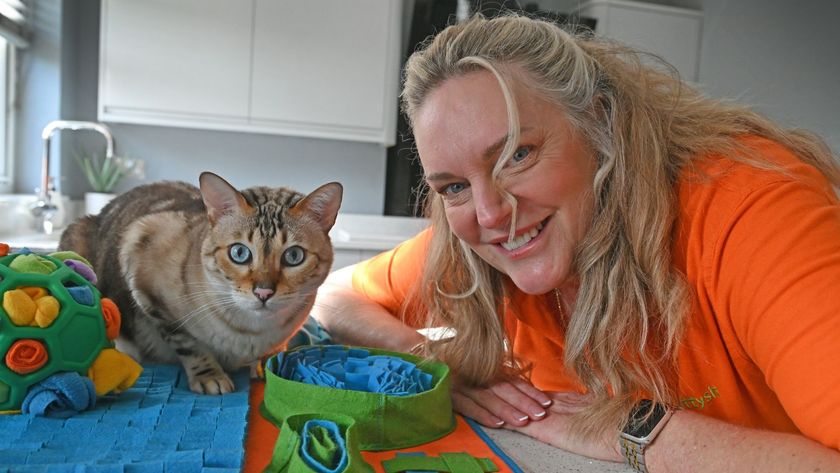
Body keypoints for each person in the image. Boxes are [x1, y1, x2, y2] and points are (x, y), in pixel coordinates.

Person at [311, 13, 840, 471]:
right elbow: (337, 296)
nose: (492, 213)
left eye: (517, 155)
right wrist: (442, 366)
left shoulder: (752, 212)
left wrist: (637, 431)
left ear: (600, 123)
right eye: (454, 187)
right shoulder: (481, 246)